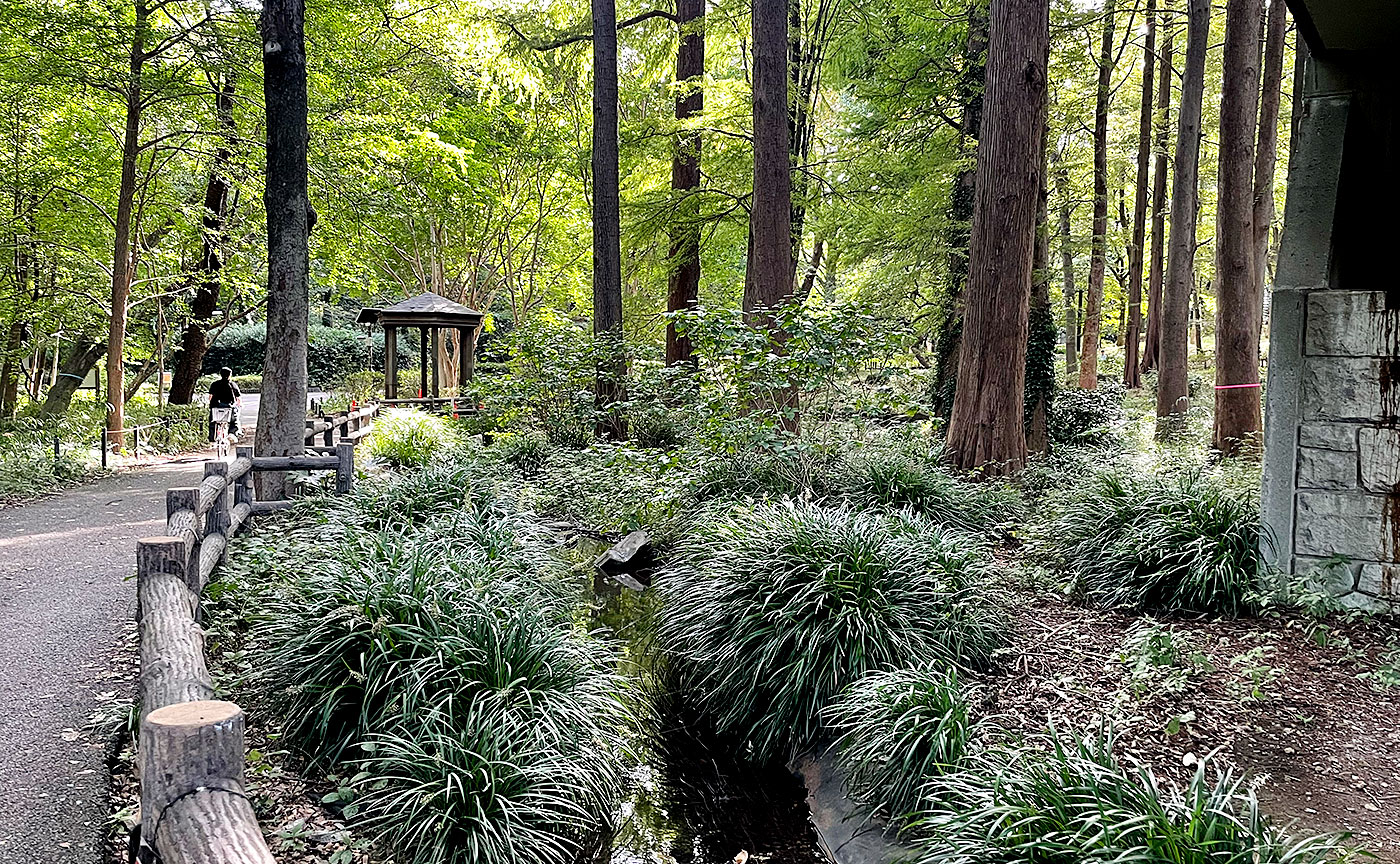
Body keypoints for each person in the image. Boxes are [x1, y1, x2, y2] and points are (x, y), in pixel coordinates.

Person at [208, 367, 242, 442]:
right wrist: (239, 405)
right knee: (234, 420)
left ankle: (212, 437)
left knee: (213, 421)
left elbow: (210, 397)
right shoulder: (233, 385)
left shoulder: (214, 384)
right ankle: (232, 433)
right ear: (230, 375)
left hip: (215, 407)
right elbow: (238, 399)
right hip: (229, 407)